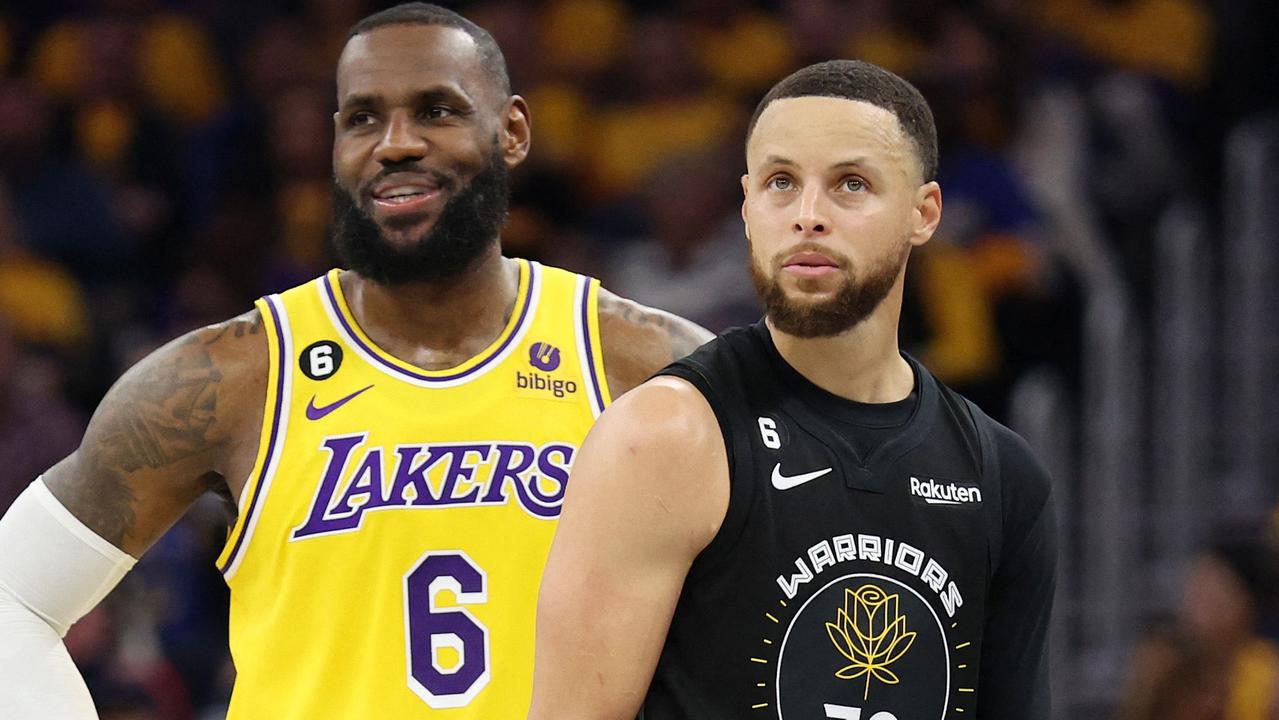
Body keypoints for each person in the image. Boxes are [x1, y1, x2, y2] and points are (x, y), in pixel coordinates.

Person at [0, 4, 710, 719]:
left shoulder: (645, 367)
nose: (395, 143)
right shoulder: (230, 378)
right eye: (362, 119)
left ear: (513, 132)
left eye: (436, 110)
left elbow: (792, 598)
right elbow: (14, 599)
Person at [530, 59, 1058, 720]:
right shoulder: (663, 436)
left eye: (851, 184)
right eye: (782, 183)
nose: (808, 215)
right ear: (748, 207)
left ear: (922, 214)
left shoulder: (1004, 477)